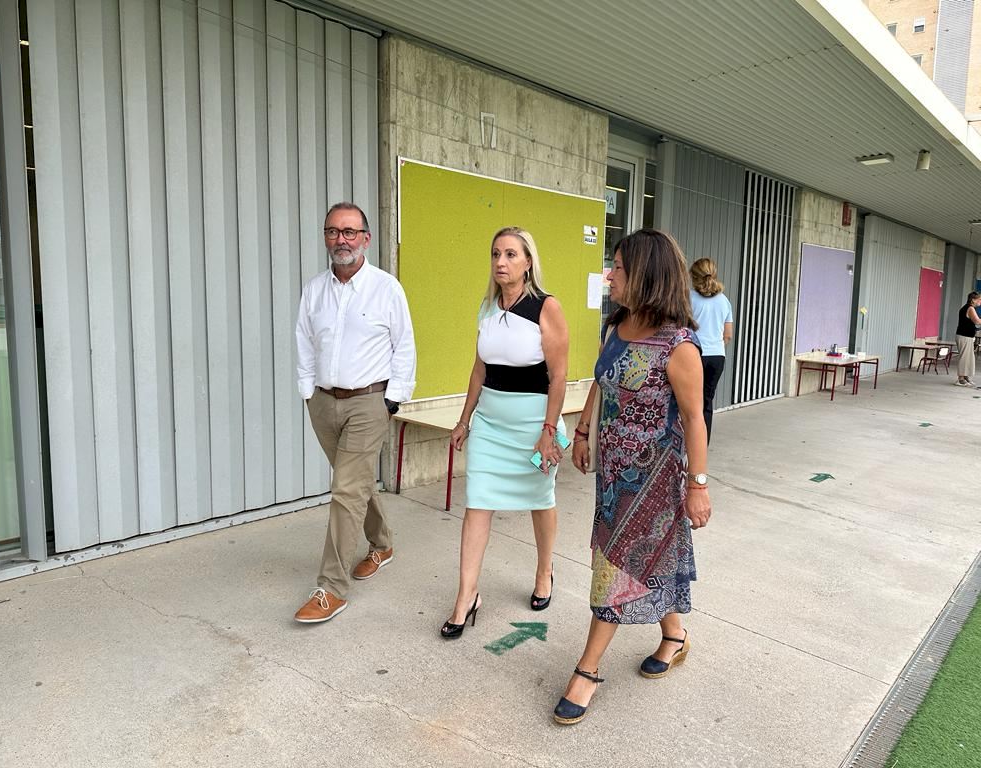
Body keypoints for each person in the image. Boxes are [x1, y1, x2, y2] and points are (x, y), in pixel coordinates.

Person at [554, 229, 712, 725]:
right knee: (638, 559)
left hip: (653, 480)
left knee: (616, 567)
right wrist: (583, 431)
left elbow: (694, 419)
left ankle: (587, 670)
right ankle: (675, 635)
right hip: (611, 477)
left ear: (645, 273)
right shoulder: (615, 327)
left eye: (618, 268)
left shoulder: (679, 346)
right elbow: (602, 382)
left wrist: (698, 486)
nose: (610, 276)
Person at [440, 226, 570, 639]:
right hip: (491, 424)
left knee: (540, 498)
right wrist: (464, 420)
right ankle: (466, 596)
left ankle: (545, 570)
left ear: (528, 262)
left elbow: (559, 376)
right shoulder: (487, 306)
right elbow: (479, 369)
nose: (501, 262)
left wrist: (548, 430)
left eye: (511, 254)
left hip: (534, 425)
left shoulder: (546, 307)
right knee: (477, 502)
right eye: (496, 253)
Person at [293, 202, 416, 623]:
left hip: (368, 401)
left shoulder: (386, 288)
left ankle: (331, 588)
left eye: (349, 232)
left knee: (345, 490)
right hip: (323, 402)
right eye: (333, 231)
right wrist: (307, 391)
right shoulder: (314, 289)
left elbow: (404, 345)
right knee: (357, 482)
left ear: (366, 238)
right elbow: (304, 340)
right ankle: (382, 544)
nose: (341, 240)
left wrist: (393, 399)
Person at [689, 258, 733, 442]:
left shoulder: (687, 298)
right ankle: (702, 445)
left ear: (693, 276)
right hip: (717, 358)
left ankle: (686, 443)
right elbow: (728, 335)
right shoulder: (724, 301)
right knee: (706, 401)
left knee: (689, 402)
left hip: (694, 355)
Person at [954, 291, 980, 387]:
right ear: (973, 300)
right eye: (979, 299)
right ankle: (960, 379)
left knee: (968, 358)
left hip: (966, 336)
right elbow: (977, 321)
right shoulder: (970, 308)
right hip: (964, 336)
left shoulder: (967, 308)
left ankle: (965, 377)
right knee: (964, 358)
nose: (980, 301)